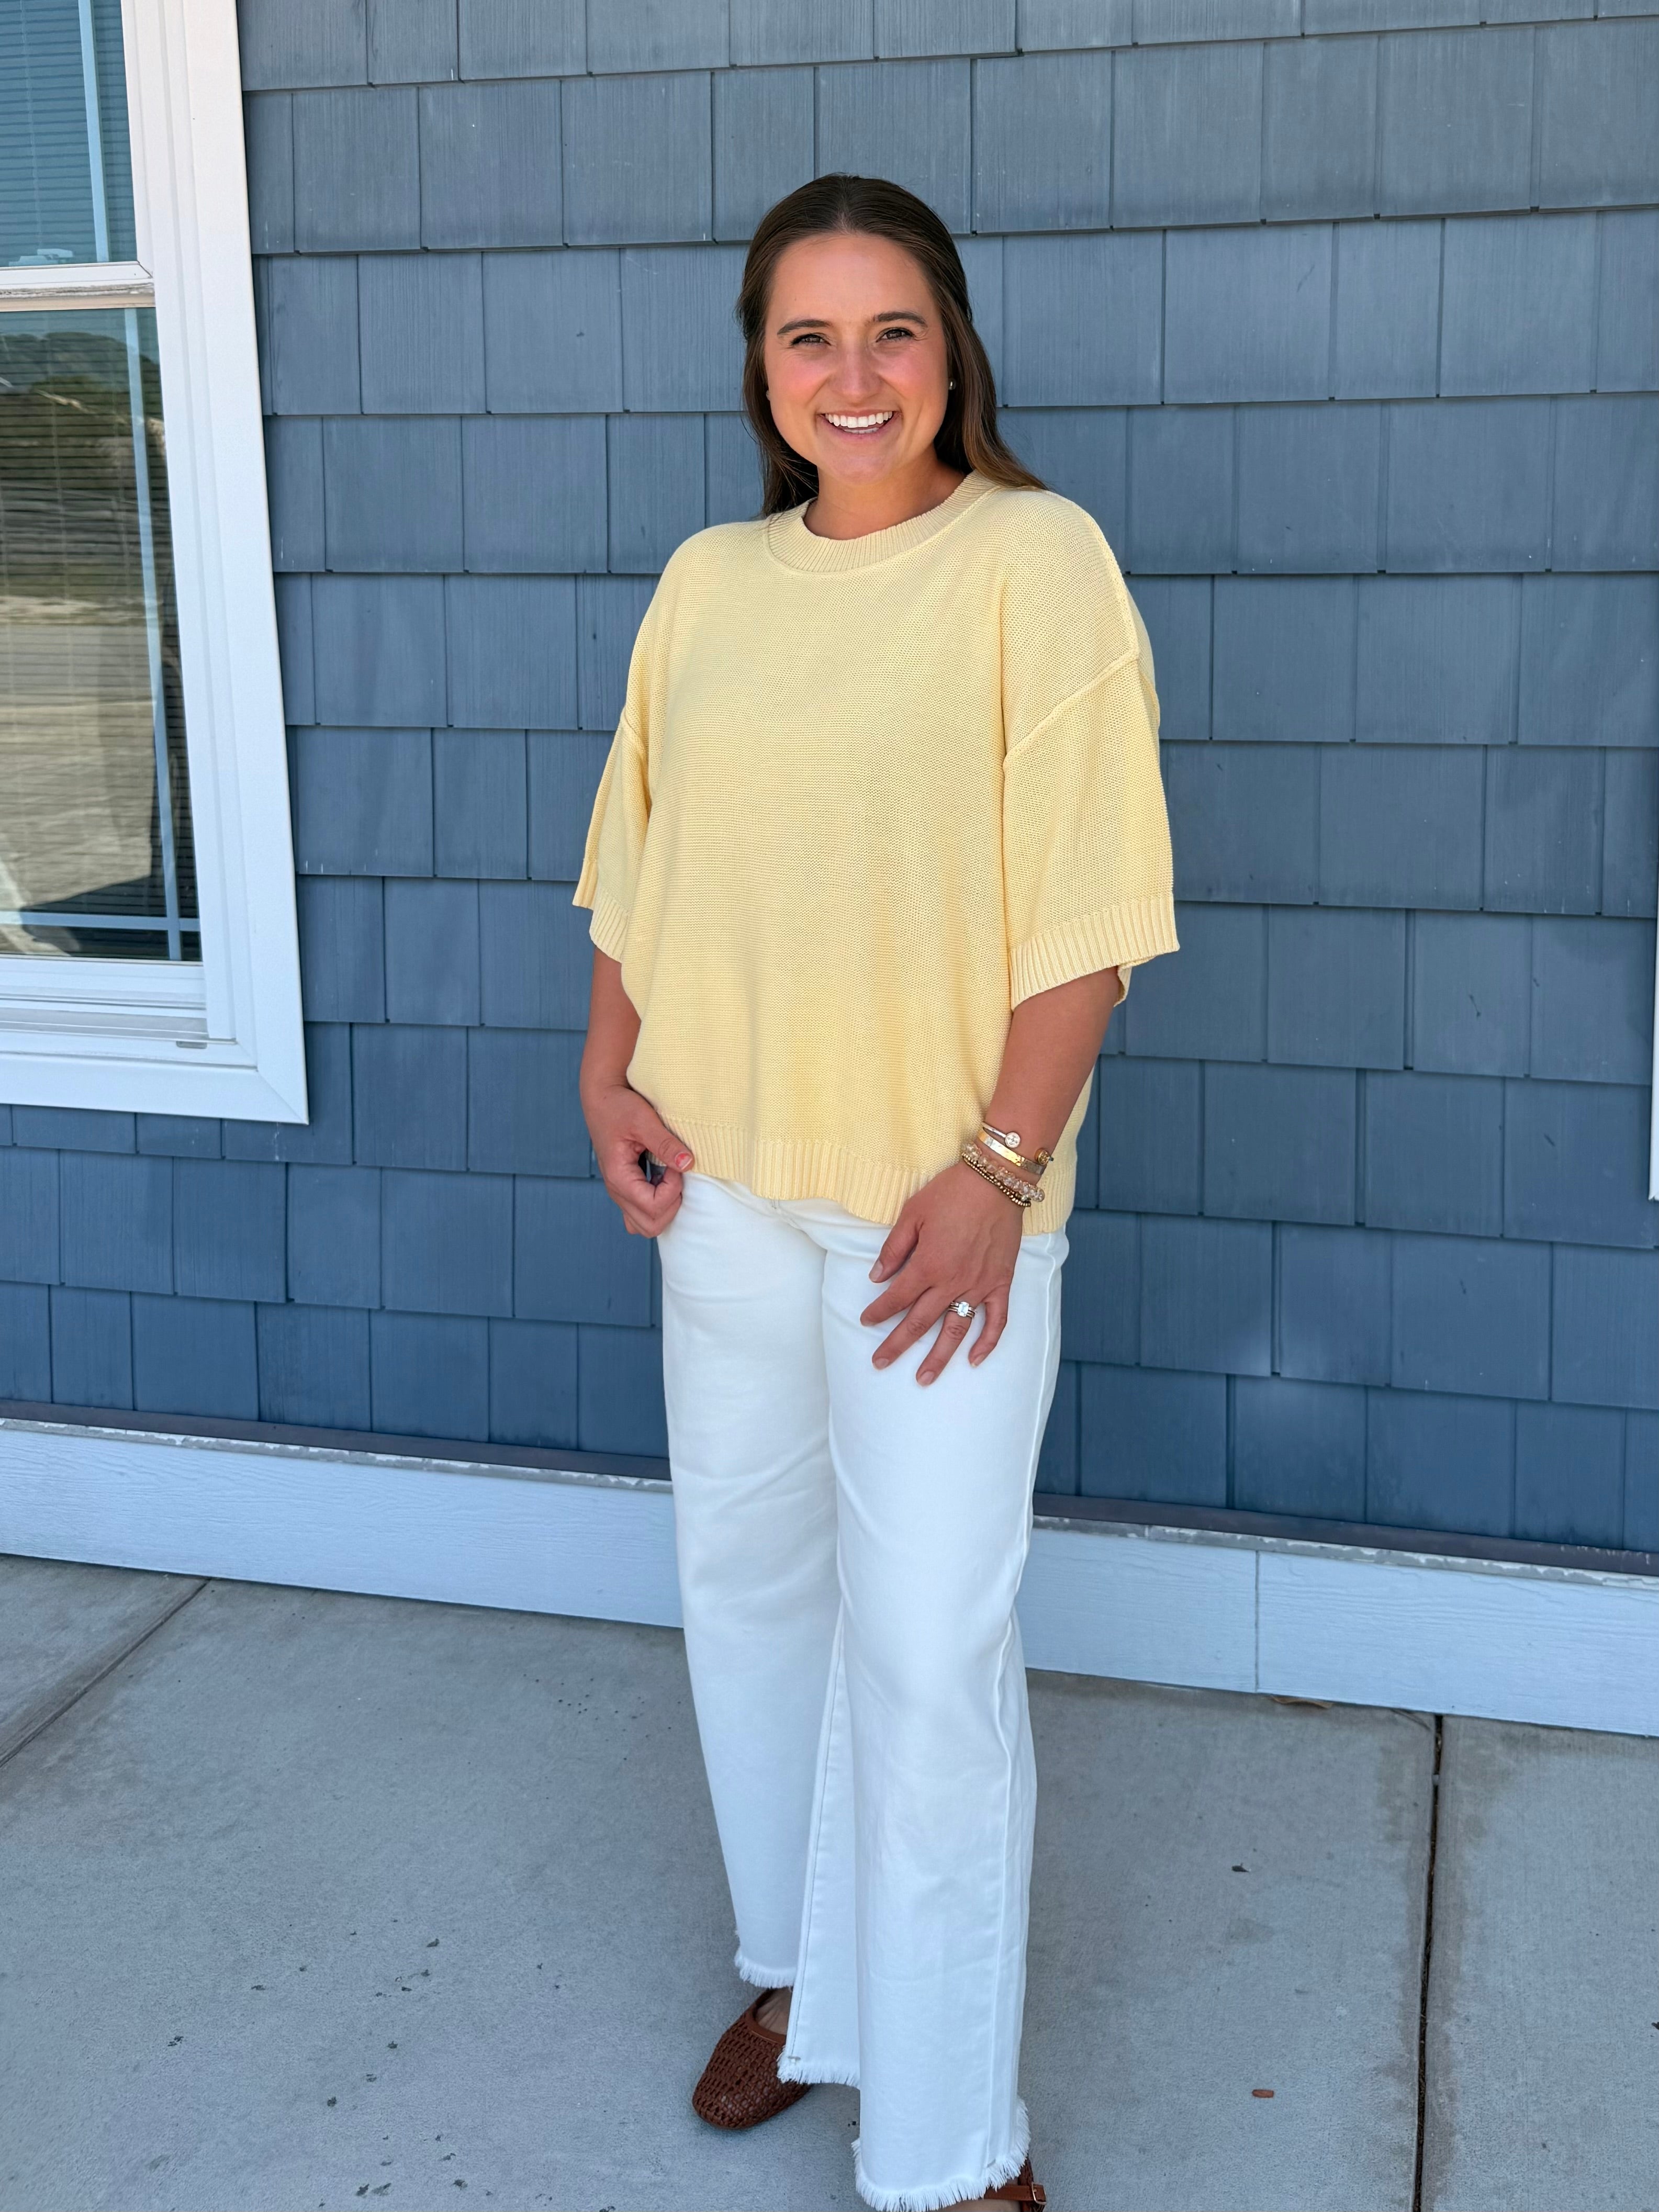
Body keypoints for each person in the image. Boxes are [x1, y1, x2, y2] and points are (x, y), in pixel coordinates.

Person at [575, 173, 1177, 2212]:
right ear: (761, 366)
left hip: (939, 1212)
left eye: (891, 330)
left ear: (951, 352)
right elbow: (641, 857)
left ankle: (947, 2139)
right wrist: (606, 1070)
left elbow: (1089, 907)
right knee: (750, 1597)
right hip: (722, 1189)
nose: (853, 375)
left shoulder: (1033, 561)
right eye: (808, 336)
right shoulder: (708, 583)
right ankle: (799, 1976)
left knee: (926, 1660)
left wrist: (1003, 1166)